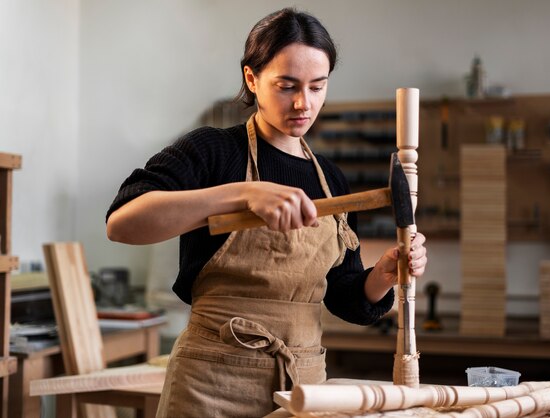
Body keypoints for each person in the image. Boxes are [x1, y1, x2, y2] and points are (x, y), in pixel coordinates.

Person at [106, 7, 427, 417]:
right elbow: (123, 222)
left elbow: (346, 298)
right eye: (286, 85)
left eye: (317, 87)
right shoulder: (213, 151)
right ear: (251, 78)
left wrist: (382, 275)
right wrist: (241, 194)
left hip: (304, 385)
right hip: (212, 381)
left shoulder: (331, 179)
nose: (303, 103)